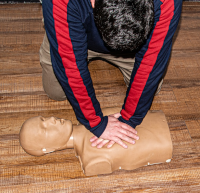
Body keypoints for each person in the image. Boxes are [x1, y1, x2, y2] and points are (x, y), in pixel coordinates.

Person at [40, 0, 182, 149]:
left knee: (153, 88)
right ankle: (59, 26)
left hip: (132, 45)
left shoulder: (167, 1)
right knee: (55, 91)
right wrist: (95, 123)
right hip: (73, 26)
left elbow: (151, 63)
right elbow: (70, 68)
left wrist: (129, 119)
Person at [19, 107, 173, 176]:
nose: (51, 120)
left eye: (44, 119)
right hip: (164, 142)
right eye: (45, 129)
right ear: (48, 149)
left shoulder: (95, 115)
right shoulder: (91, 160)